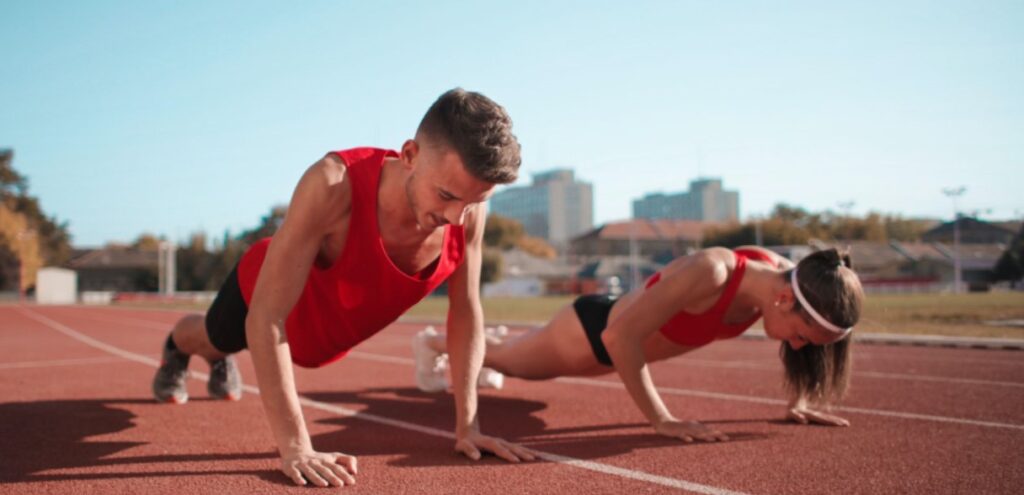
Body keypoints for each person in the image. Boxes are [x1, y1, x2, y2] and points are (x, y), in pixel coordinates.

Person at [151, 88, 536, 488]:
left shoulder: (467, 208)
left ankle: (214, 356)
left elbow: (466, 310)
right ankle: (178, 349)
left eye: (474, 202)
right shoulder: (333, 184)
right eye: (446, 196)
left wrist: (468, 426)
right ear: (409, 155)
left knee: (248, 347)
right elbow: (266, 317)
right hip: (269, 295)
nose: (458, 218)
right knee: (216, 338)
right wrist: (296, 447)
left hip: (327, 336)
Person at [414, 246, 863, 443]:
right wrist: (662, 420)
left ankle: (486, 345)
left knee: (512, 360)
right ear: (784, 299)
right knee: (512, 366)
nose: (801, 348)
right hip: (592, 334)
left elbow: (806, 339)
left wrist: (799, 400)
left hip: (620, 350)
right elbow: (618, 336)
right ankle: (434, 343)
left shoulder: (783, 279)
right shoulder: (714, 272)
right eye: (803, 337)